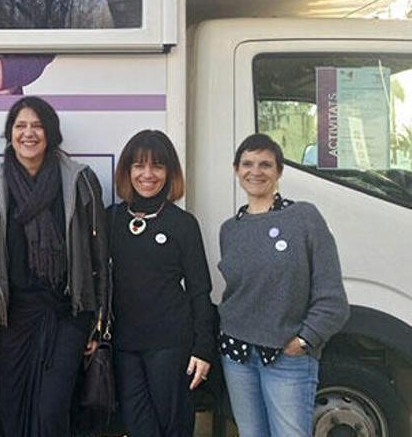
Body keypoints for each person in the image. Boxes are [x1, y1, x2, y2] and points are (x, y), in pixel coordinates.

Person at [0, 96, 108, 437]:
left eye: (37, 125)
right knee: (11, 412)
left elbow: (99, 256)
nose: (28, 133)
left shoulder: (80, 182)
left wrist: (98, 322)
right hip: (10, 319)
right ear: (10, 134)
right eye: (20, 126)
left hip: (66, 314)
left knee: (52, 412)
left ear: (50, 133)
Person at [218, 133, 350, 436]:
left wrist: (304, 340)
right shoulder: (230, 229)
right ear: (236, 169)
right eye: (248, 163)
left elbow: (332, 299)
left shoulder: (303, 218)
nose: (256, 171)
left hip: (286, 355)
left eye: (266, 164)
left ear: (279, 171)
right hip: (237, 354)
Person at [109, 129, 216, 436]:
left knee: (174, 428)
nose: (147, 174)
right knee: (138, 427)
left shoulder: (182, 223)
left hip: (171, 345)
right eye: (139, 165)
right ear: (127, 170)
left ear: (169, 172)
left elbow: (200, 290)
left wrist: (203, 348)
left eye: (157, 166)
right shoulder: (110, 219)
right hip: (124, 346)